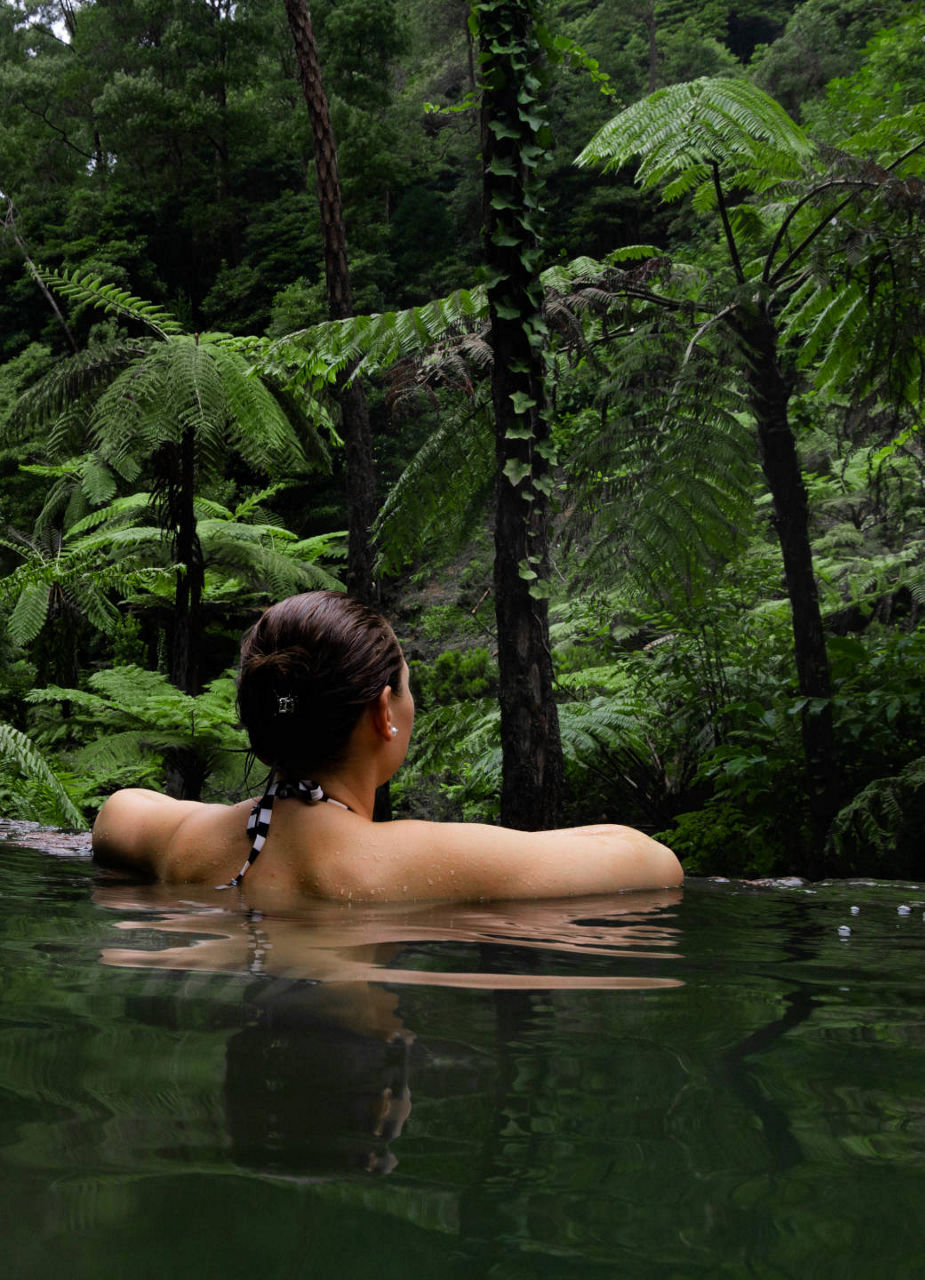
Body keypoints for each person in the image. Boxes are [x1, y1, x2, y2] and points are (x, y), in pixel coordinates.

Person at [92, 591, 682, 900]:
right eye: (405, 684)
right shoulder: (413, 859)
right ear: (383, 713)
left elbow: (118, 811)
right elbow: (654, 863)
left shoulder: (186, 841)